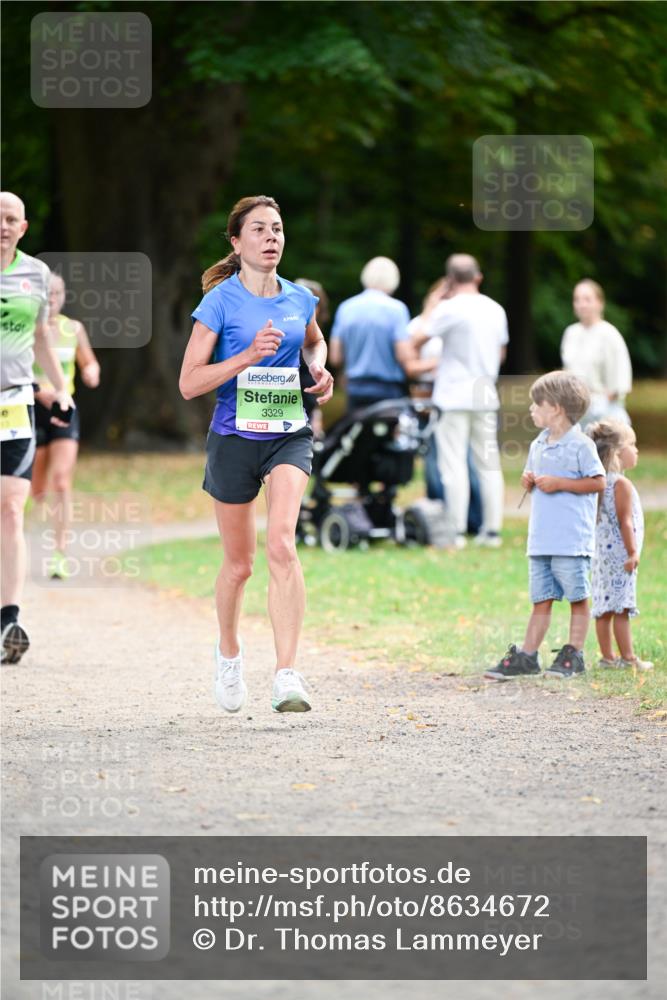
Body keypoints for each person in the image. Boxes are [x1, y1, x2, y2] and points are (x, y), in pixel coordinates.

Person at [179, 195, 333, 714]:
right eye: (260, 229)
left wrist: (318, 367)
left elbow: (314, 343)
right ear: (236, 241)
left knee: (283, 545)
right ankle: (228, 655)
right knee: (239, 565)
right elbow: (188, 382)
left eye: (278, 229)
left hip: (289, 432)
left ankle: (287, 674)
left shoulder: (299, 299)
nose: (272, 237)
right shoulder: (220, 303)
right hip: (233, 436)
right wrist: (246, 356)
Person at [485, 371, 606, 681]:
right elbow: (532, 476)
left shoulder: (581, 445)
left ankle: (573, 654)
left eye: (536, 404)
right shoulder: (539, 443)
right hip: (541, 540)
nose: (531, 409)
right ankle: (527, 656)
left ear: (556, 408)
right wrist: (528, 481)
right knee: (541, 600)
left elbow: (598, 482)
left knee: (577, 599)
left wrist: (561, 483)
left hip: (570, 540)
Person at [1, 191, 74, 663]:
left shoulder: (35, 274)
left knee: (10, 509)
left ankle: (8, 618)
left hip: (13, 406)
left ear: (23, 228)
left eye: (10, 219)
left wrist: (60, 386)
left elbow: (43, 335)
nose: (2, 226)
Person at [412, 253, 507, 549]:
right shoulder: (495, 309)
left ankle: (455, 529)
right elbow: (501, 352)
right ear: (478, 277)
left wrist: (432, 306)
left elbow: (417, 338)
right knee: (488, 463)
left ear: (451, 280)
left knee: (453, 465)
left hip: (453, 394)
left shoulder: (448, 309)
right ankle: (491, 529)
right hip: (485, 393)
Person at [31, 273, 101, 579]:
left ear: (63, 295)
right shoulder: (27, 329)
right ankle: (18, 545)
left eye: (57, 293)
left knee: (61, 481)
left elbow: (89, 362)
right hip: (30, 409)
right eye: (46, 294)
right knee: (35, 489)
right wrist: (38, 391)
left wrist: (92, 373)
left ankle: (60, 554)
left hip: (64, 409)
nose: (52, 299)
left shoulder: (73, 329)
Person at [587, 420, 653, 670]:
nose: (636, 450)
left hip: (602, 557)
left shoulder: (598, 482)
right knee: (622, 607)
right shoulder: (620, 484)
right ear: (616, 453)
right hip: (621, 557)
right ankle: (628, 658)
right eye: (632, 445)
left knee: (603, 607)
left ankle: (607, 657)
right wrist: (633, 551)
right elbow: (626, 522)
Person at [328, 256, 412, 413]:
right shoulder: (397, 309)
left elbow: (335, 358)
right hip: (388, 391)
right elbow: (403, 356)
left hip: (355, 388)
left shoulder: (346, 308)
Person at [561, 279, 632, 426]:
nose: (582, 304)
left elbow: (620, 379)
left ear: (600, 303)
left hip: (605, 410)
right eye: (577, 300)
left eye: (587, 299)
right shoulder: (570, 333)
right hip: (576, 411)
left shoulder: (609, 334)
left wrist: (600, 404)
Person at [295, 278, 330, 440]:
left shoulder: (316, 340)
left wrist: (316, 411)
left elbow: (310, 380)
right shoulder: (291, 335)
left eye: (314, 304)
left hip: (306, 407)